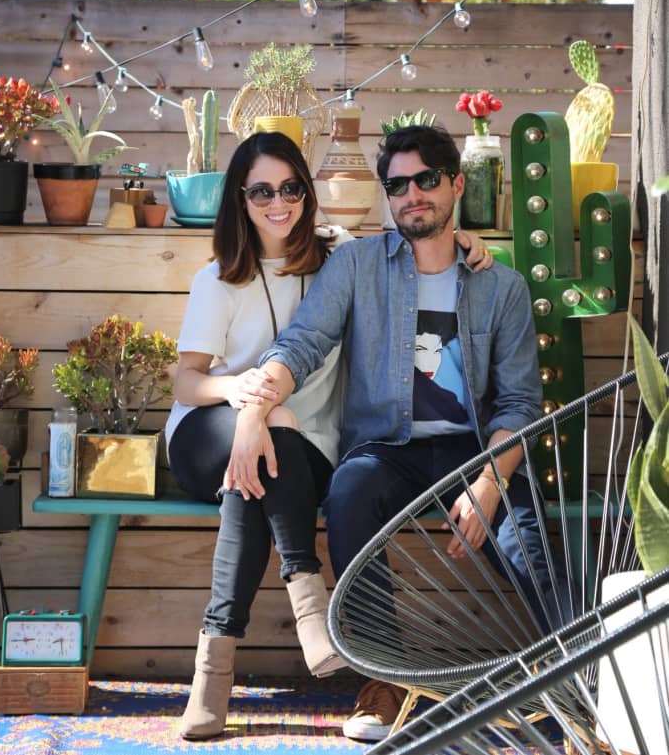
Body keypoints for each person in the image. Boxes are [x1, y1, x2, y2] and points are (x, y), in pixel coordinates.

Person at [166, 130, 491, 740]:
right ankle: (308, 599)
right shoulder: (219, 280)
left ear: (307, 193)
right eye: (261, 190)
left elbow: (418, 240)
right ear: (240, 198)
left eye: (291, 187)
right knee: (268, 444)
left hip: (298, 448)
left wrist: (467, 241)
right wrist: (243, 403)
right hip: (206, 435)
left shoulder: (342, 257)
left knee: (258, 476)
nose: (277, 202)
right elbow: (186, 383)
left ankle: (211, 681)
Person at [229, 124, 547, 742]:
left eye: (426, 179)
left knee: (526, 545)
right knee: (350, 491)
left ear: (456, 184)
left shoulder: (501, 286)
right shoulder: (357, 264)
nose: (412, 195)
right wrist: (257, 399)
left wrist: (488, 482)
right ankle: (382, 676)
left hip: (473, 451)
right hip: (387, 448)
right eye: (397, 184)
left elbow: (518, 402)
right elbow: (304, 341)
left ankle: (582, 670)